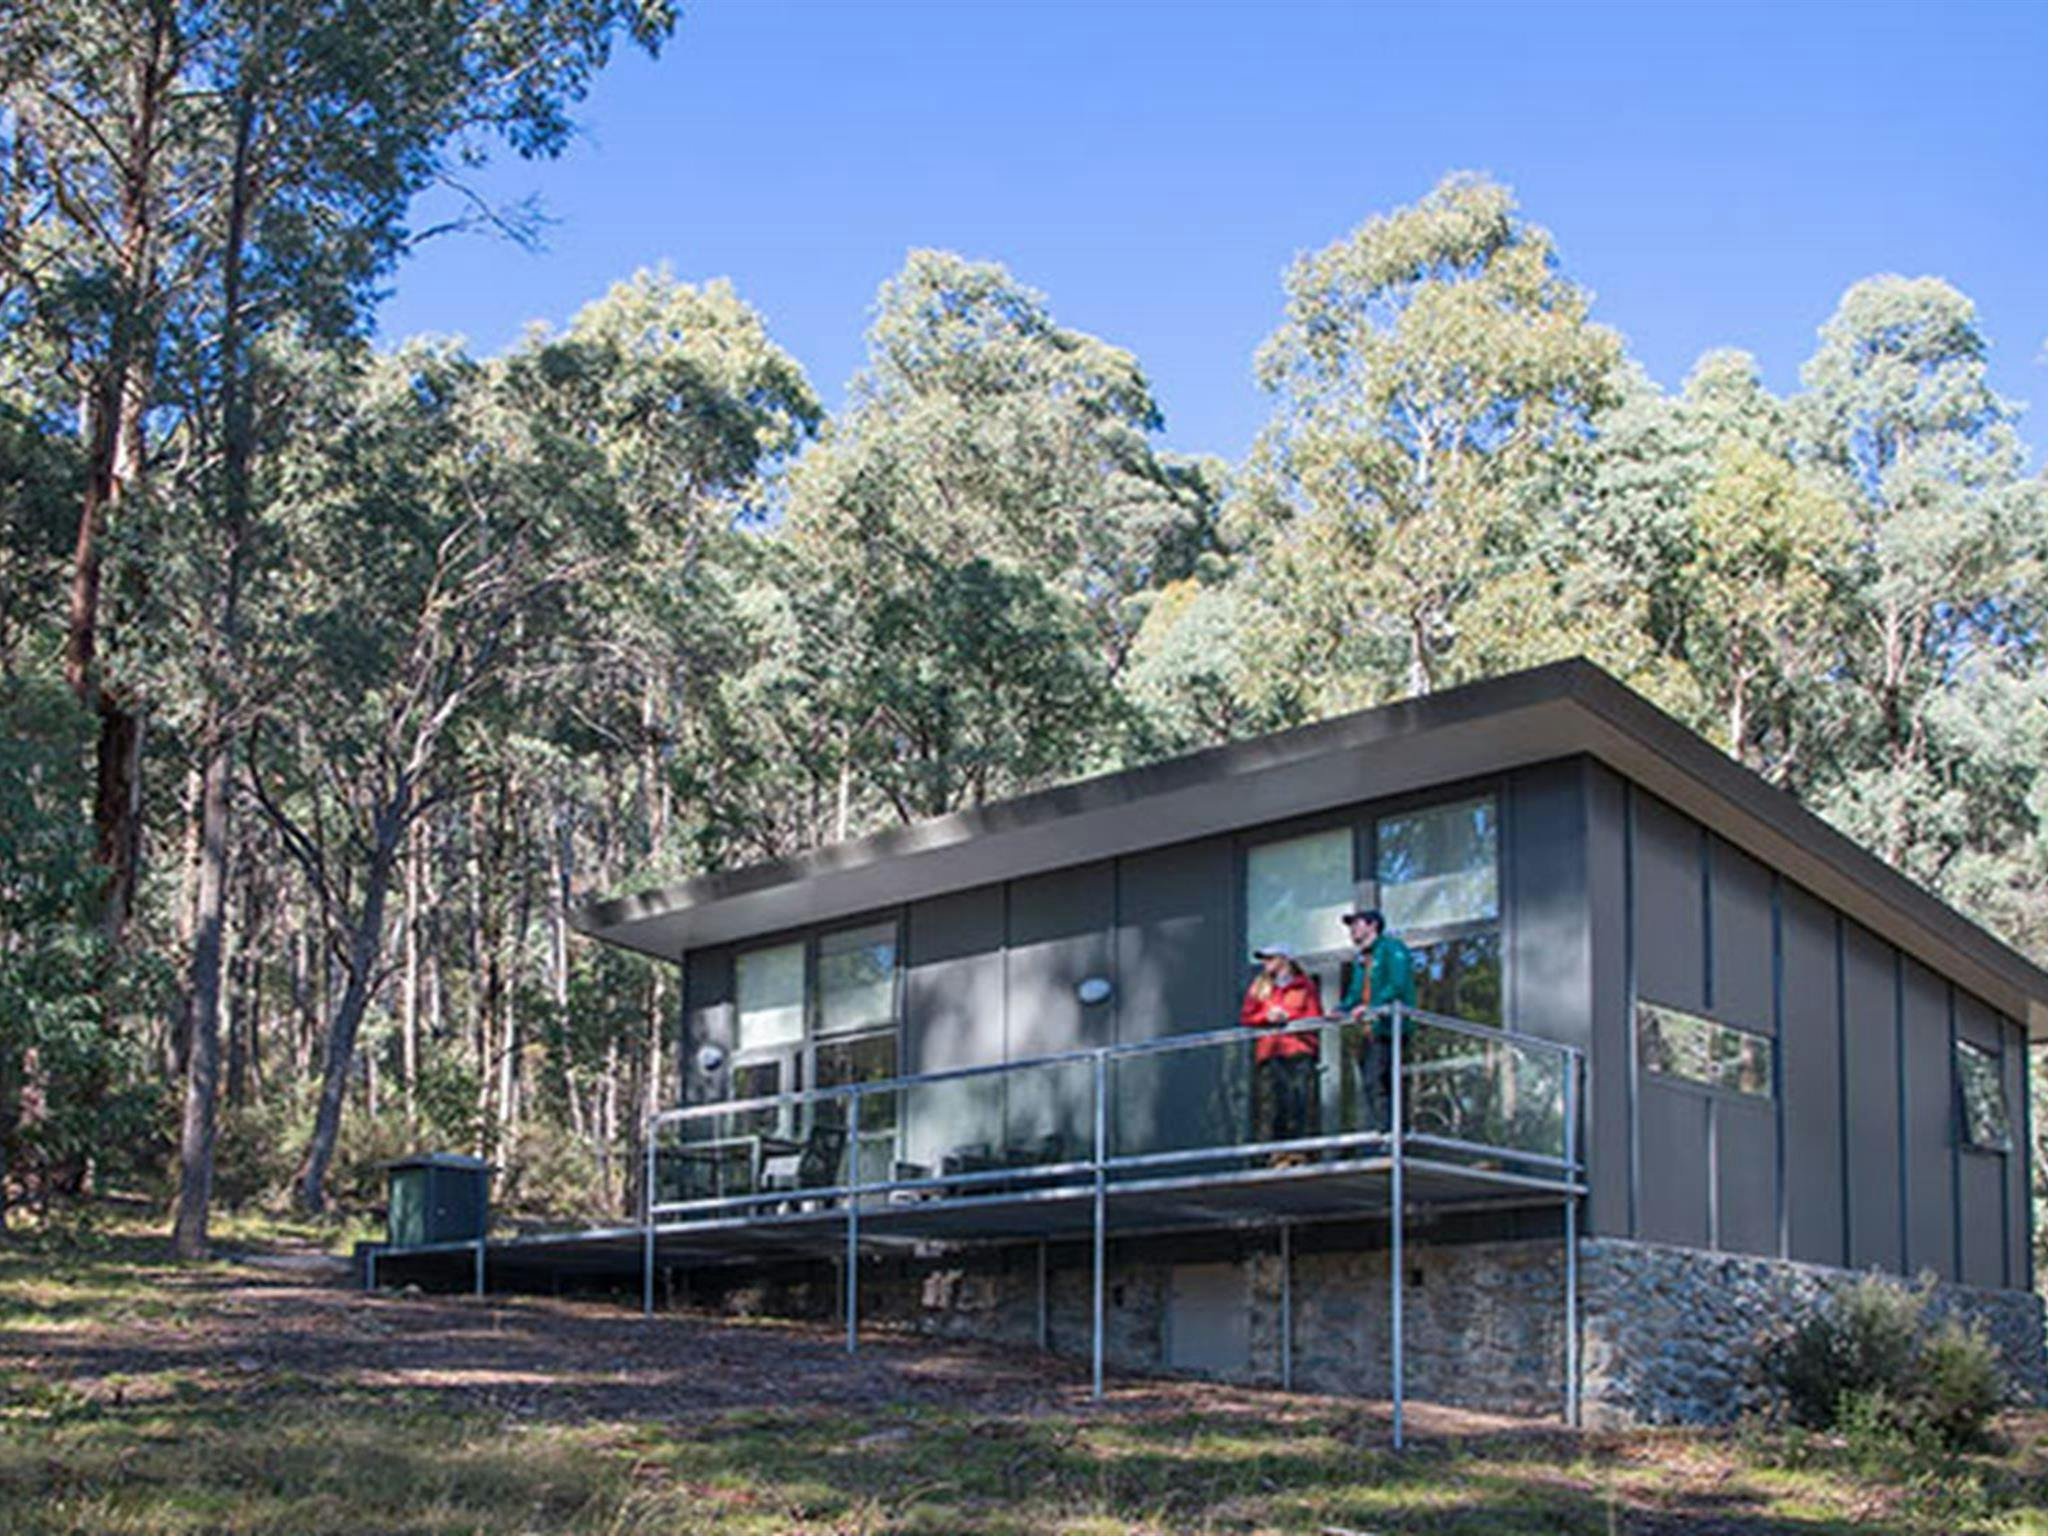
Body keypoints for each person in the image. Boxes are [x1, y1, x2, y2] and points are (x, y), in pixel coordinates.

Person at [1238, 944, 1324, 1158]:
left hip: (1298, 1050)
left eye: (1270, 958)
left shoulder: (1304, 986)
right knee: (1275, 1104)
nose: (1265, 964)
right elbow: (1246, 1017)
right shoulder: (1259, 987)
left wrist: (1288, 1018)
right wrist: (1267, 1018)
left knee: (1299, 1103)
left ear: (1284, 959)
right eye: (1264, 959)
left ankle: (1300, 1153)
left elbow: (1315, 1017)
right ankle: (1277, 1154)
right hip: (1270, 1053)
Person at [1338, 908, 1416, 1133]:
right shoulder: (1362, 958)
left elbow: (1397, 984)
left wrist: (1372, 1007)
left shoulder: (1392, 948)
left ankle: (1394, 1132)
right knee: (1372, 1081)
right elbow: (1355, 991)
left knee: (1386, 1080)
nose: (1352, 930)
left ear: (1373, 926)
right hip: (1371, 1030)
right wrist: (1341, 1009)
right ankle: (1383, 1130)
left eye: (1356, 924)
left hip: (1392, 1027)